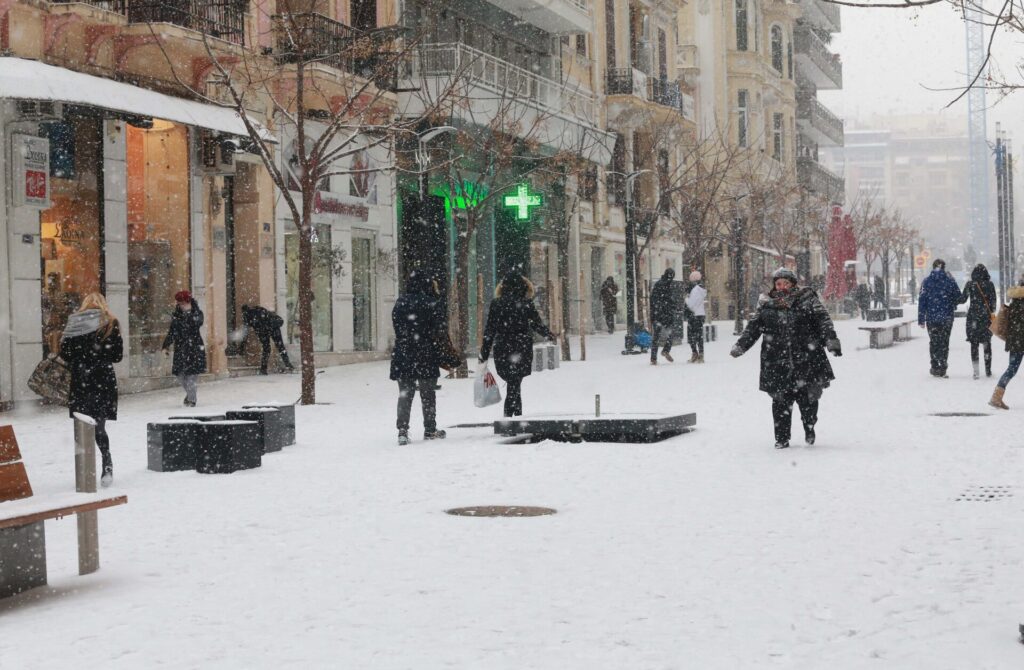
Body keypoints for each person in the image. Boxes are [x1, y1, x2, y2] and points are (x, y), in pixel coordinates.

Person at [731, 268, 842, 449]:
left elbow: (823, 320)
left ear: (792, 284)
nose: (781, 286)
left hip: (806, 358)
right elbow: (753, 327)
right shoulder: (766, 305)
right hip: (777, 361)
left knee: (808, 400)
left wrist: (831, 340)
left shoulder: (807, 299)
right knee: (780, 401)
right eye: (778, 283)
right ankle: (781, 438)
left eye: (785, 283)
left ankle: (809, 427)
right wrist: (741, 346)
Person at [60, 293, 123, 487]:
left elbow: (65, 354)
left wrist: (82, 356)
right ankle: (107, 463)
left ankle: (85, 469)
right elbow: (117, 355)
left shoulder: (74, 323)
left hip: (81, 379)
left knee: (81, 427)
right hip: (102, 378)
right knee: (99, 426)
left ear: (84, 304)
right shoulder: (110, 322)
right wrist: (100, 353)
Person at [479, 272, 556, 417]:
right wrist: (549, 334)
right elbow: (536, 324)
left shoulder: (497, 303)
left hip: (502, 347)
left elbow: (490, 330)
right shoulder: (526, 303)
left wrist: (484, 353)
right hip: (521, 347)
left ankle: (513, 419)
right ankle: (512, 419)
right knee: (515, 383)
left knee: (513, 383)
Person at [390, 271, 447, 445]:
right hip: (425, 353)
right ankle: (430, 429)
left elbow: (397, 327)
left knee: (405, 394)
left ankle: (402, 430)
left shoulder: (400, 303)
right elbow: (439, 330)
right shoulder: (431, 304)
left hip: (404, 352)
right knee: (428, 393)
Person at [917, 259, 961, 378]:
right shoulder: (950, 281)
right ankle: (943, 365)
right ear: (943, 267)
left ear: (933, 267)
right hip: (947, 317)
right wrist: (951, 303)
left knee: (934, 341)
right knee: (944, 342)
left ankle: (935, 365)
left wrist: (921, 319)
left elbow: (922, 301)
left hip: (931, 318)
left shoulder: (926, 282)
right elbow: (958, 296)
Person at [162, 290, 206, 407]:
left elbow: (197, 322)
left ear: (189, 302)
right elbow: (172, 332)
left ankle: (192, 400)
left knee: (191, 376)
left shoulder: (197, 313)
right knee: (180, 375)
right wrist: (166, 345)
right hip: (181, 349)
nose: (181, 306)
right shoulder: (176, 316)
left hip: (195, 348)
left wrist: (187, 315)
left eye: (183, 303)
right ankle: (190, 394)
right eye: (179, 304)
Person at [989, 277, 1024, 409]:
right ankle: (996, 397)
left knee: (1011, 369)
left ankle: (996, 397)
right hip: (1020, 339)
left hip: (1015, 340)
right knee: (1012, 369)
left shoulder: (1015, 301)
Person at [958, 264, 997, 380]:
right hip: (985, 318)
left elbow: (962, 299)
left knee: (974, 344)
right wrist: (988, 308)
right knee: (986, 343)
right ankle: (988, 370)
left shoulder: (970, 284)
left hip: (973, 318)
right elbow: (993, 305)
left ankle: (976, 372)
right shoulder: (990, 285)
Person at [241, 304, 294, 375]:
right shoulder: (259, 310)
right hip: (272, 328)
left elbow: (246, 330)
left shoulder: (247, 315)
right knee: (280, 347)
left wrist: (242, 345)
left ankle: (263, 368)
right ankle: (288, 365)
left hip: (264, 330)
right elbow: (279, 320)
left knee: (267, 349)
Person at [649, 268, 677, 365]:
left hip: (661, 314)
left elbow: (655, 300)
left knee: (658, 336)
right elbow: (657, 300)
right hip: (661, 315)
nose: (671, 278)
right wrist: (670, 306)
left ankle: (654, 357)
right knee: (667, 334)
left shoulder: (664, 284)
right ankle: (663, 352)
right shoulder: (663, 285)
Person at [685, 271, 707, 363]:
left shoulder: (695, 290)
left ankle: (695, 353)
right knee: (699, 336)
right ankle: (700, 354)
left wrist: (686, 298)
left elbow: (691, 305)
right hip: (700, 315)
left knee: (691, 336)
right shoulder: (701, 290)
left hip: (694, 315)